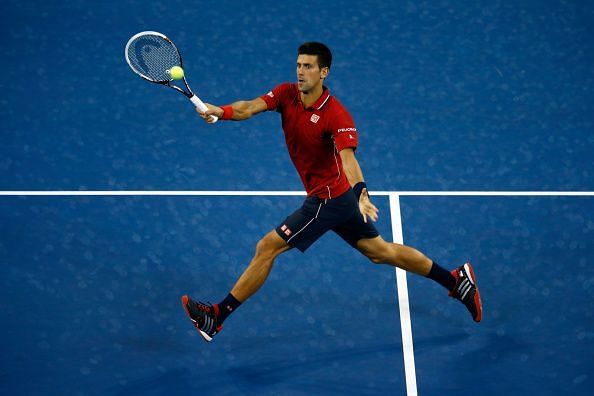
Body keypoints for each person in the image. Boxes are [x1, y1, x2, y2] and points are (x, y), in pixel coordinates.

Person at [181, 42, 482, 342]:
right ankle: (455, 280)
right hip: (338, 198)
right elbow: (249, 107)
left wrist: (362, 193)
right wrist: (221, 111)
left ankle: (216, 317)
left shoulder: (336, 115)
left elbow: (348, 160)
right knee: (381, 252)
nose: (300, 71)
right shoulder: (287, 93)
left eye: (308, 66)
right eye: (298, 65)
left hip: (328, 200)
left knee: (267, 247)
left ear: (324, 72)